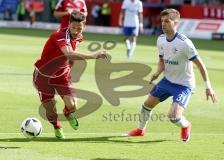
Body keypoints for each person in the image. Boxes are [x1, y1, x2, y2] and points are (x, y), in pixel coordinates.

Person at [127, 8, 217, 142]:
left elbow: (200, 64)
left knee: (173, 116)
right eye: (162, 21)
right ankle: (140, 130)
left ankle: (186, 125)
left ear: (176, 23)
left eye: (167, 21)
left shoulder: (185, 43)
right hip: (167, 81)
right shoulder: (161, 39)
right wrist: (158, 72)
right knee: (146, 105)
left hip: (184, 85)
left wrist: (208, 87)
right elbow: (162, 60)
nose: (163, 24)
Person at [33, 11, 109, 139]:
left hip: (62, 76)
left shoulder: (80, 37)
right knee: (50, 108)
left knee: (73, 105)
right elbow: (69, 53)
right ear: (68, 24)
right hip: (43, 77)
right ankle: (57, 127)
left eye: (79, 28)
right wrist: (93, 56)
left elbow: (72, 54)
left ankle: (68, 114)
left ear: (84, 27)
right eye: (73, 27)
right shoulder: (60, 35)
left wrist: (70, 69)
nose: (76, 31)